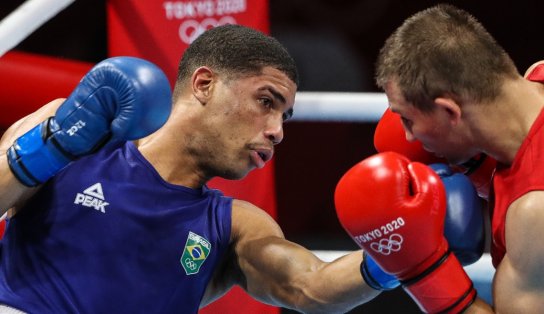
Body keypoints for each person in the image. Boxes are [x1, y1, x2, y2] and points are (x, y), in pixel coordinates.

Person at [0, 24, 393, 314]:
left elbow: (310, 286)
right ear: (204, 84)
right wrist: (55, 145)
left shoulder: (233, 225)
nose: (276, 132)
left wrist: (397, 253)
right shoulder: (74, 134)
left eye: (284, 117)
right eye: (266, 101)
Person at [337, 4, 544, 313]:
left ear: (449, 111)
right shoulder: (537, 75)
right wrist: (480, 170)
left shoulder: (533, 211)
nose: (407, 136)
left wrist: (424, 270)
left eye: (408, 119)